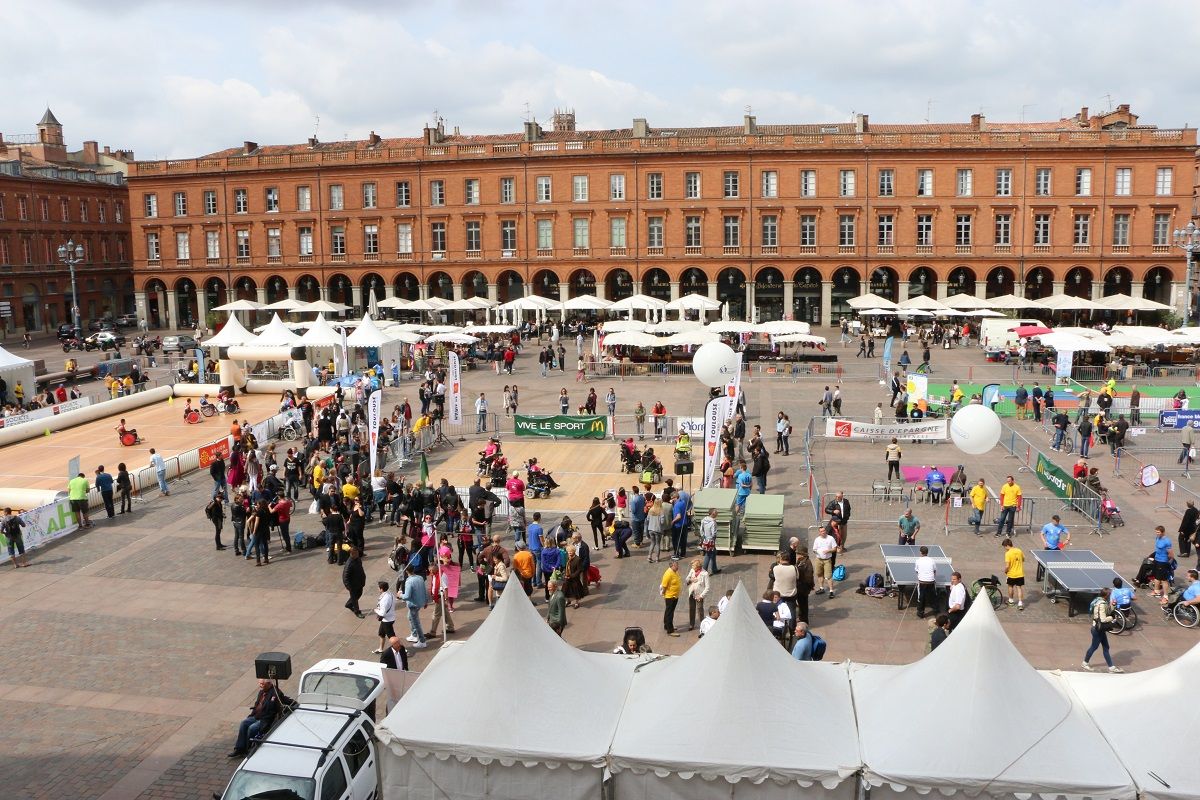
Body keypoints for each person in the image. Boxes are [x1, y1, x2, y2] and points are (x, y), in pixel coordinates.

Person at [227, 678, 280, 758]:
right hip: (256, 716)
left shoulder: (275, 693)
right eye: (260, 683)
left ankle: (247, 748)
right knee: (244, 723)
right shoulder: (261, 692)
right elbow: (256, 705)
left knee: (252, 728)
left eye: (262, 684)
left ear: (269, 684)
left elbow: (283, 700)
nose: (260, 686)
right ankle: (239, 748)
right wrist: (252, 714)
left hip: (265, 719)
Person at [1081, 588, 1123, 673]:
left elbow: (1107, 611)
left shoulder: (1098, 600)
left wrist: (1113, 605)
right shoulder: (1102, 604)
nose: (1110, 596)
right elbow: (1103, 619)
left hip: (1099, 628)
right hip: (1098, 629)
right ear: (1106, 595)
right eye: (1109, 595)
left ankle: (1111, 667)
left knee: (1106, 647)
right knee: (1094, 646)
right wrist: (1112, 618)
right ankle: (1085, 663)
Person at [401, 564, 429, 648]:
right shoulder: (420, 578)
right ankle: (414, 635)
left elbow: (406, 596)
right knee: (410, 617)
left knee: (416, 622)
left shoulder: (409, 581)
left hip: (413, 604)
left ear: (406, 571)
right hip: (420, 602)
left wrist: (400, 595)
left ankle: (422, 641)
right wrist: (426, 601)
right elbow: (425, 589)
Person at [684, 557, 710, 631]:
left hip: (699, 595)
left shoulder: (705, 574)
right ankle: (691, 624)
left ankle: (702, 625)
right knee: (691, 608)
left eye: (693, 566)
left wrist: (701, 596)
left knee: (700, 610)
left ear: (698, 567)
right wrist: (690, 579)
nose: (692, 567)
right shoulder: (692, 570)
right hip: (692, 593)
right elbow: (687, 579)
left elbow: (707, 587)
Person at [914, 545, 938, 619]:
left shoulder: (918, 561)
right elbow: (934, 571)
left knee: (922, 597)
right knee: (933, 596)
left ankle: (920, 613)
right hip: (931, 581)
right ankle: (936, 611)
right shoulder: (932, 560)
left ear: (921, 553)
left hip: (922, 582)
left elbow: (916, 571)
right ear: (927, 552)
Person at [812, 526, 838, 597]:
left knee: (828, 576)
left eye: (824, 531)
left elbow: (835, 549)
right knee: (819, 574)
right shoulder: (817, 539)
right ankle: (821, 588)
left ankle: (831, 591)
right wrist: (816, 552)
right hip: (818, 559)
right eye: (821, 531)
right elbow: (814, 549)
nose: (823, 532)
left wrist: (828, 551)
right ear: (819, 532)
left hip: (827, 560)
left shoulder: (830, 538)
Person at [373, 581, 397, 654]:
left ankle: (403, 650)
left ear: (381, 589)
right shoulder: (389, 594)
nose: (378, 588)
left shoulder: (385, 599)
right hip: (388, 618)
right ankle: (380, 649)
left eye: (378, 587)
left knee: (392, 637)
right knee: (381, 633)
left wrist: (376, 611)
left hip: (387, 620)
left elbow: (382, 612)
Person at [660, 557, 682, 636]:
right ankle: (670, 630)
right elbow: (664, 586)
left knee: (669, 611)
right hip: (670, 596)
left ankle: (667, 625)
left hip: (675, 595)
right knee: (670, 613)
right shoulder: (668, 574)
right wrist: (664, 593)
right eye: (676, 565)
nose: (678, 567)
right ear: (672, 566)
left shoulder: (674, 572)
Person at [1151, 525, 1173, 604]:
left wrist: (1169, 561)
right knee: (1157, 577)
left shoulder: (1167, 541)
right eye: (1156, 532)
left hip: (1163, 562)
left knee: (1164, 580)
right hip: (1157, 560)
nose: (1157, 533)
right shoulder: (1157, 538)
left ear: (1163, 532)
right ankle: (1156, 591)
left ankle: (1165, 596)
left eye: (1158, 532)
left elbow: (1170, 554)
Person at [343, 546, 366, 618]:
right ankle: (357, 611)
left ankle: (349, 604)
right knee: (354, 599)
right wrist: (349, 587)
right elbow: (345, 577)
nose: (358, 554)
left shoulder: (358, 559)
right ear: (352, 554)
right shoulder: (349, 564)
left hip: (359, 582)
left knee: (359, 594)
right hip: (352, 585)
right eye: (356, 553)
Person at [1002, 537, 1025, 610]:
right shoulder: (1019, 550)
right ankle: (1020, 603)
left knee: (1010, 586)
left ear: (1006, 545)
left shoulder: (1007, 554)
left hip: (1011, 574)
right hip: (1020, 573)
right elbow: (1023, 559)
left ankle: (1011, 601)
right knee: (1019, 588)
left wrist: (1005, 571)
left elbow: (1007, 566)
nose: (1005, 548)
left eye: (1004, 547)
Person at [699, 507, 719, 574]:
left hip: (705, 540)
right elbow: (714, 533)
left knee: (713, 553)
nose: (717, 513)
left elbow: (701, 530)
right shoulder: (713, 522)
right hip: (711, 541)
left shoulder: (704, 519)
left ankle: (714, 568)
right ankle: (704, 571)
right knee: (708, 555)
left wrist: (703, 536)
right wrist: (714, 538)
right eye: (716, 512)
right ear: (713, 514)